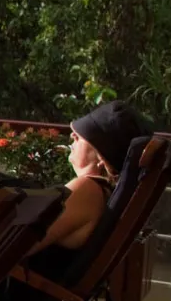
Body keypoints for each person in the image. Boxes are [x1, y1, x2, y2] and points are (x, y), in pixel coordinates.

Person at [31, 100, 150, 255]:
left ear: (102, 158)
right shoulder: (104, 194)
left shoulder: (87, 190)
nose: (73, 134)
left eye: (82, 135)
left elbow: (19, 244)